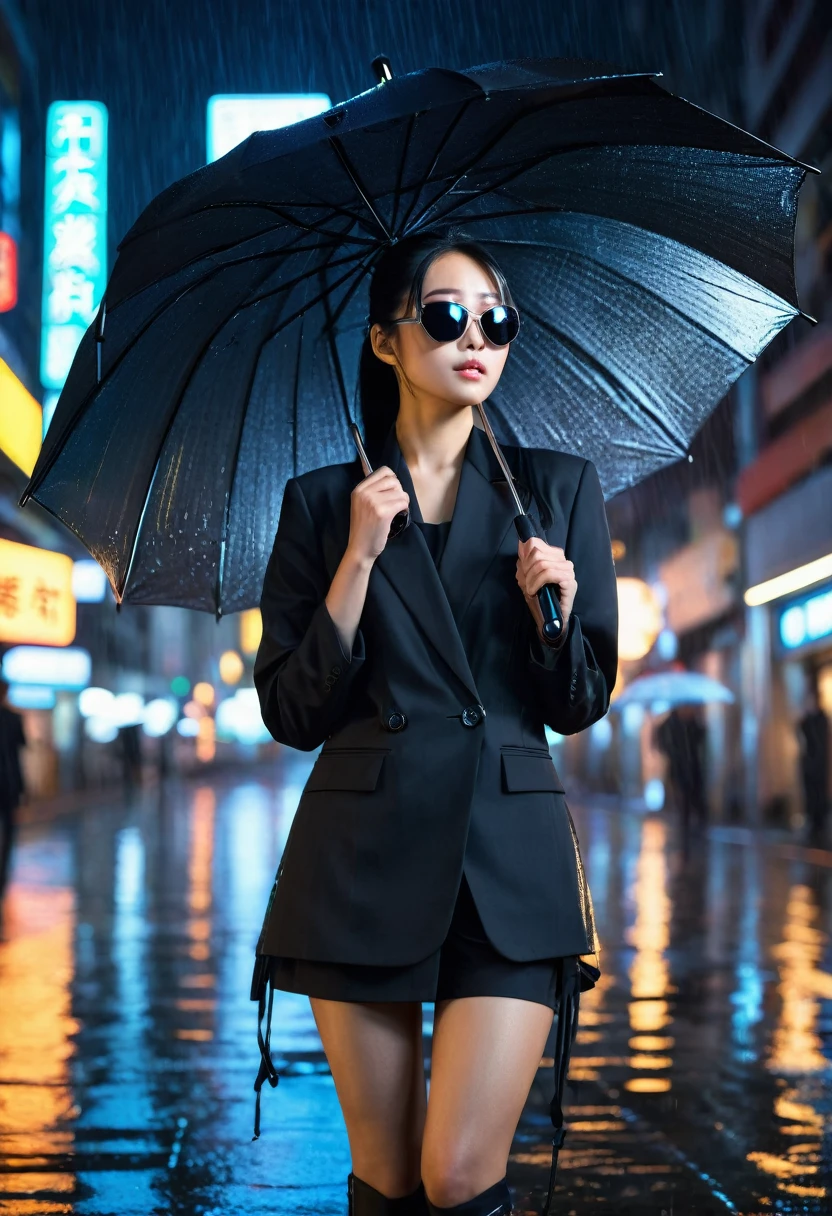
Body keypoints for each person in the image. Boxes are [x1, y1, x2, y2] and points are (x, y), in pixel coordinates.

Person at [250, 229, 618, 1216]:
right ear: (384, 342)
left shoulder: (556, 493)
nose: (475, 339)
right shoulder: (324, 504)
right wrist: (357, 561)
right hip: (361, 854)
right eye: (446, 315)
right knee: (386, 1175)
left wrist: (556, 611)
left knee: (458, 1173)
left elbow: (579, 700)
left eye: (495, 319)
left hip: (508, 857)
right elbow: (291, 709)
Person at [655, 705, 708, 833]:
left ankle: (697, 821)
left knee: (695, 793)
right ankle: (686, 823)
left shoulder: (691, 722)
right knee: (682, 794)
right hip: (678, 765)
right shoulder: (669, 724)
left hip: (692, 766)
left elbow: (700, 737)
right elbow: (662, 741)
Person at [0, 678, 27, 910]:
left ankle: (4, 872)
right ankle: (3, 871)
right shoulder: (13, 718)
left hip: (9, 784)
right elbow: (20, 752)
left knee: (10, 828)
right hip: (8, 784)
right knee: (9, 830)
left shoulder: (13, 718)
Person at [798, 686, 830, 844]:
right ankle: (812, 823)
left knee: (819, 794)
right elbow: (801, 734)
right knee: (810, 795)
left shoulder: (821, 719)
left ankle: (820, 824)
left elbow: (820, 742)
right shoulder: (807, 720)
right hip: (809, 764)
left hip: (820, 764)